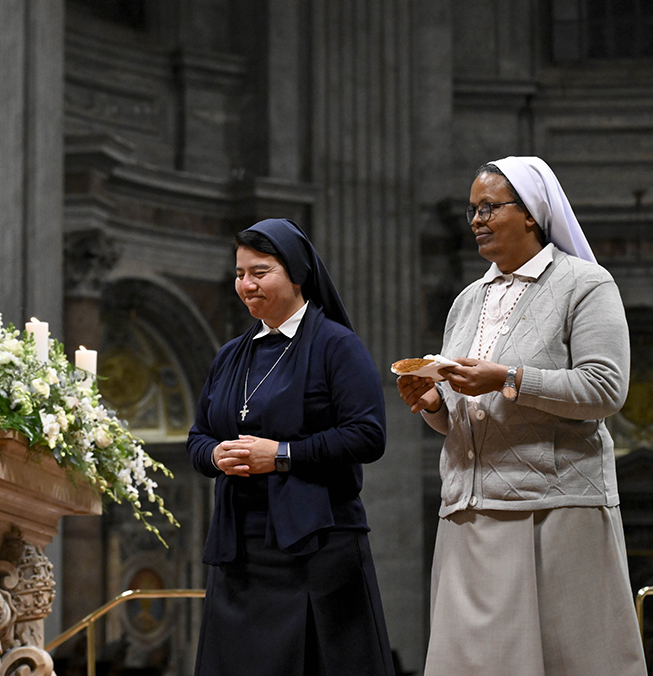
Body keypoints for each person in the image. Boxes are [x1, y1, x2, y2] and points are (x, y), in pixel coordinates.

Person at [397, 156, 645, 675]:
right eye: (471, 211)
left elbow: (605, 388)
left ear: (531, 212)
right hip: (469, 510)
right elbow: (471, 410)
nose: (476, 221)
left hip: (555, 509)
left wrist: (507, 378)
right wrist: (437, 405)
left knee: (569, 662)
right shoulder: (468, 301)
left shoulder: (585, 284)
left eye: (489, 208)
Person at [187, 218, 395, 676]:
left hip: (315, 548)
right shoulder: (230, 356)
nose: (246, 284)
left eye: (259, 272)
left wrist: (281, 456)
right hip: (239, 551)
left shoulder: (336, 346)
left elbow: (368, 435)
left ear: (296, 272)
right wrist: (215, 455)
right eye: (240, 274)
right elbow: (198, 436)